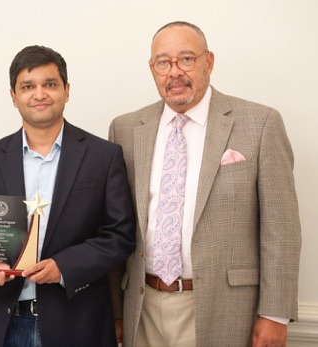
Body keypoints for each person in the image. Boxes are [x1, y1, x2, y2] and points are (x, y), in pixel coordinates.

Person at [108, 20, 302, 347]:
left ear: (208, 62)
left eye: (186, 59)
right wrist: (113, 311)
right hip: (142, 306)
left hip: (224, 307)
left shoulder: (260, 123)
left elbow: (280, 225)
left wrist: (275, 313)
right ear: (152, 68)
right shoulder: (126, 129)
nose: (175, 72)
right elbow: (115, 226)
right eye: (163, 63)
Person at [0, 45, 136, 347]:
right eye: (27, 86)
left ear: (66, 91)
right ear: (13, 96)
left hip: (76, 323)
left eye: (50, 84)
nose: (39, 94)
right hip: (1, 324)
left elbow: (120, 235)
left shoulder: (103, 157)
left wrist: (65, 267)